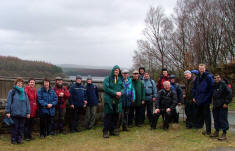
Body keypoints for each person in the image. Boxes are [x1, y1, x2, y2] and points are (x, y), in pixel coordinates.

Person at [5, 77, 30, 144]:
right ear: (16, 83)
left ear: (22, 84)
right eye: (18, 83)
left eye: (21, 83)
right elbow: (8, 102)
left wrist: (28, 112)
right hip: (14, 113)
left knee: (21, 128)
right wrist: (7, 111)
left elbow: (27, 103)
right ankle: (13, 140)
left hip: (23, 113)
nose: (19, 84)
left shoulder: (24, 92)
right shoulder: (12, 92)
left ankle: (19, 140)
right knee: (14, 127)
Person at [102, 65, 124, 138]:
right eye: (115, 70)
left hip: (117, 101)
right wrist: (115, 93)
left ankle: (112, 130)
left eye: (117, 70)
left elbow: (123, 88)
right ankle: (105, 132)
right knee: (108, 116)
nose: (116, 71)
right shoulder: (107, 79)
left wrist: (121, 92)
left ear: (119, 71)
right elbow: (106, 88)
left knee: (115, 116)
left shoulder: (120, 79)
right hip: (109, 101)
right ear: (112, 71)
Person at [192, 64, 214, 135]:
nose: (201, 69)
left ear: (205, 68)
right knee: (200, 114)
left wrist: (207, 98)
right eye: (200, 68)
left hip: (205, 99)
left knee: (207, 116)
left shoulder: (208, 77)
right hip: (198, 99)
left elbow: (211, 88)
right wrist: (194, 97)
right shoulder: (197, 77)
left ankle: (208, 130)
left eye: (202, 68)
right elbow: (194, 88)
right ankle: (200, 127)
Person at [210, 74, 232, 140]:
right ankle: (216, 131)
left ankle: (224, 133)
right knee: (216, 118)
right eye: (215, 78)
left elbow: (229, 93)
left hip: (222, 105)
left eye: (218, 78)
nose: (216, 79)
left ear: (220, 78)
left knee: (223, 119)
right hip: (215, 105)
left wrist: (226, 102)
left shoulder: (224, 85)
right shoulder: (214, 85)